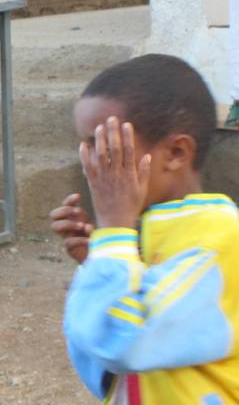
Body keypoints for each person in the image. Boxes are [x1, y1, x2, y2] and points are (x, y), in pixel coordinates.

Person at [50, 54, 239, 403]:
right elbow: (106, 374)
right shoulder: (151, 233)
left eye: (105, 145)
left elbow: (115, 341)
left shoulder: (222, 242)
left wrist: (114, 237)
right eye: (85, 146)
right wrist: (101, 261)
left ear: (176, 153)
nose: (90, 163)